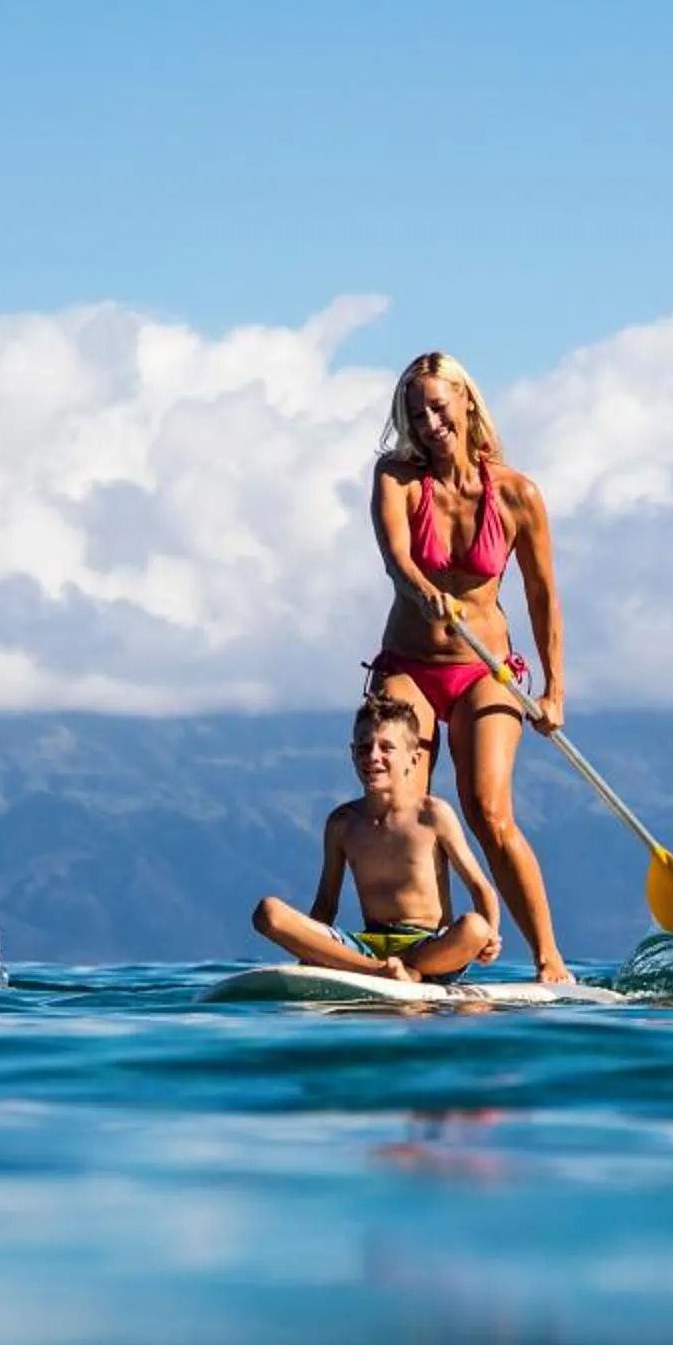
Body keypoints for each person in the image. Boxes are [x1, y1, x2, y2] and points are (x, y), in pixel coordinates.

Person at [366, 352, 574, 984]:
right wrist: (420, 589)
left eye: (439, 405)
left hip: (488, 672)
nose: (429, 422)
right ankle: (435, 961)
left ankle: (548, 960)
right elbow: (396, 558)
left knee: (486, 810)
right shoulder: (396, 478)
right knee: (410, 811)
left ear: (468, 403)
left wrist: (556, 690)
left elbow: (543, 596)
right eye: (416, 411)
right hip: (410, 663)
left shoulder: (518, 494)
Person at [253, 696, 502, 982]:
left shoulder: (432, 814)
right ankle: (382, 972)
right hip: (367, 948)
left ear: (413, 757)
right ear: (352, 754)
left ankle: (407, 970)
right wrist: (310, 950)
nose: (372, 756)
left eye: (386, 747)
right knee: (268, 912)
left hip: (429, 948)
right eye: (364, 747)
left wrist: (491, 935)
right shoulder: (342, 823)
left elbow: (480, 887)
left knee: (475, 928)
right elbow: (325, 905)